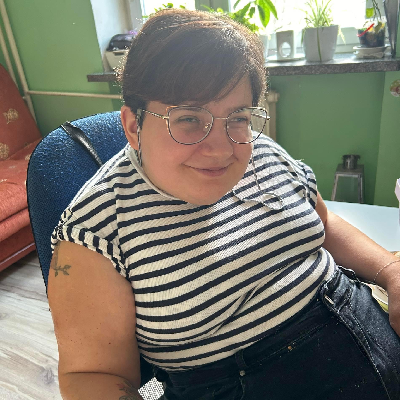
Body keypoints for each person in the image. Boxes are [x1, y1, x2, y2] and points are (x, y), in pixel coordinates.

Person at [48, 9, 400, 400]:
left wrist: (390, 270)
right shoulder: (97, 228)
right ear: (134, 126)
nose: (220, 149)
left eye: (237, 117)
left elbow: (324, 225)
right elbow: (90, 374)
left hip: (364, 324)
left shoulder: (262, 152)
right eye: (188, 118)